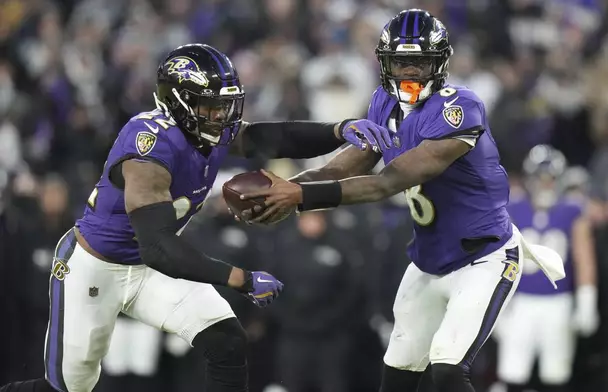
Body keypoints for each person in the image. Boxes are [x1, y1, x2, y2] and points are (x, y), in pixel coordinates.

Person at [0, 43, 391, 392]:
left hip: (150, 267)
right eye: (210, 105)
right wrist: (239, 278)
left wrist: (339, 129)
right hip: (96, 267)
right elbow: (157, 247)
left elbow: (270, 137)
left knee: (226, 340)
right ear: (177, 102)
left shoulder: (208, 130)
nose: (221, 115)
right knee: (69, 387)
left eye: (225, 104)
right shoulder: (149, 147)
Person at [236, 10, 564, 392]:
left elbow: (388, 182)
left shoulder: (459, 108)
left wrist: (300, 196)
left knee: (448, 367)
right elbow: (348, 164)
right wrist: (287, 191)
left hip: (484, 258)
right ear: (383, 63)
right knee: (398, 375)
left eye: (419, 62)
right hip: (427, 262)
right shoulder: (384, 104)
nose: (408, 72)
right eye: (399, 62)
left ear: (438, 64)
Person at [496, 145, 598, 392]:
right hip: (520, 302)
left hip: (558, 302)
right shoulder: (513, 209)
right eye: (540, 178)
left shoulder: (572, 211)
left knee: (556, 373)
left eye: (550, 179)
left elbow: (584, 258)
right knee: (512, 371)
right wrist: (498, 303)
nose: (545, 185)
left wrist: (586, 301)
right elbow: (499, 258)